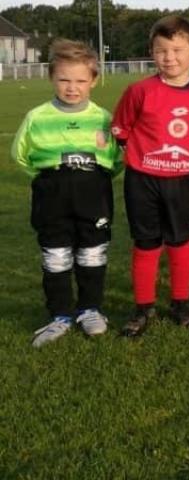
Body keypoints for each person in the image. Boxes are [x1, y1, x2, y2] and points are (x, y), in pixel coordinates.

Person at [112, 16, 189, 337]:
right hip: (142, 180)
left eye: (177, 50)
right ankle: (143, 307)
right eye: (161, 51)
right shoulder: (139, 91)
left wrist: (182, 161)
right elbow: (122, 129)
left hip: (184, 180)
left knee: (180, 241)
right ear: (151, 53)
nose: (169, 57)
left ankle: (180, 303)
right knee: (146, 242)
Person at [12, 40, 121, 347]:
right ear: (51, 77)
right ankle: (59, 315)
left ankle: (90, 309)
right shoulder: (37, 117)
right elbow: (20, 155)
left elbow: (117, 158)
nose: (72, 88)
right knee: (56, 256)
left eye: (80, 81)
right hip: (52, 197)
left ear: (94, 81)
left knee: (92, 253)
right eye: (64, 80)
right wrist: (50, 179)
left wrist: (91, 178)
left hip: (94, 195)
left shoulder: (103, 117)